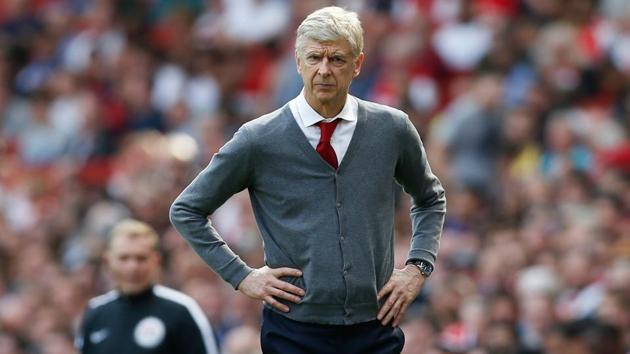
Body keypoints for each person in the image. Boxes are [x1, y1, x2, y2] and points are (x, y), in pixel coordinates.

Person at [170, 6, 446, 354]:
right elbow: (187, 210)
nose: (325, 70)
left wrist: (417, 268)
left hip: (376, 326)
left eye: (337, 59)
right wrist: (242, 276)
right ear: (297, 62)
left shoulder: (391, 129)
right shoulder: (259, 138)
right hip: (293, 331)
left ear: (358, 64)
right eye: (314, 57)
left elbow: (430, 198)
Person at [75, 219, 220, 354]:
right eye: (124, 258)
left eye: (141, 258)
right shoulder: (95, 313)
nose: (132, 267)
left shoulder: (181, 310)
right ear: (107, 261)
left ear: (156, 260)